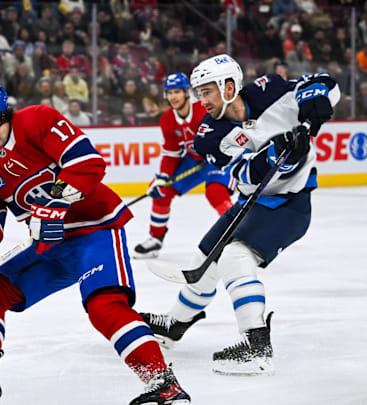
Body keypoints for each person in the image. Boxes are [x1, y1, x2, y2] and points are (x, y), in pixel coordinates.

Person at [0, 78, 190, 405]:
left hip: (93, 230)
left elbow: (87, 163)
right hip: (46, 245)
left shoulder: (38, 120)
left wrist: (51, 204)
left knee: (104, 306)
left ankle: (162, 382)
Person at [138, 54, 338, 375]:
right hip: (250, 201)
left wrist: (316, 102)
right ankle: (175, 324)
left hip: (289, 204)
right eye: (198, 93)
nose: (201, 101)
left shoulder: (269, 88)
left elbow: (325, 83)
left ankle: (256, 347)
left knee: (234, 257)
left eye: (207, 92)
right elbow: (244, 175)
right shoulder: (209, 135)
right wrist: (277, 152)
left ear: (229, 86)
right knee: (203, 259)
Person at [134, 73, 234, 259]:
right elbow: (171, 152)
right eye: (170, 92)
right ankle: (155, 239)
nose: (173, 96)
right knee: (161, 190)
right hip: (194, 161)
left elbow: (226, 130)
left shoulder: (203, 110)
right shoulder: (167, 120)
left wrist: (216, 151)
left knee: (215, 192)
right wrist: (163, 177)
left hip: (220, 158)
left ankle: (236, 237)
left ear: (186, 92)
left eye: (177, 92)